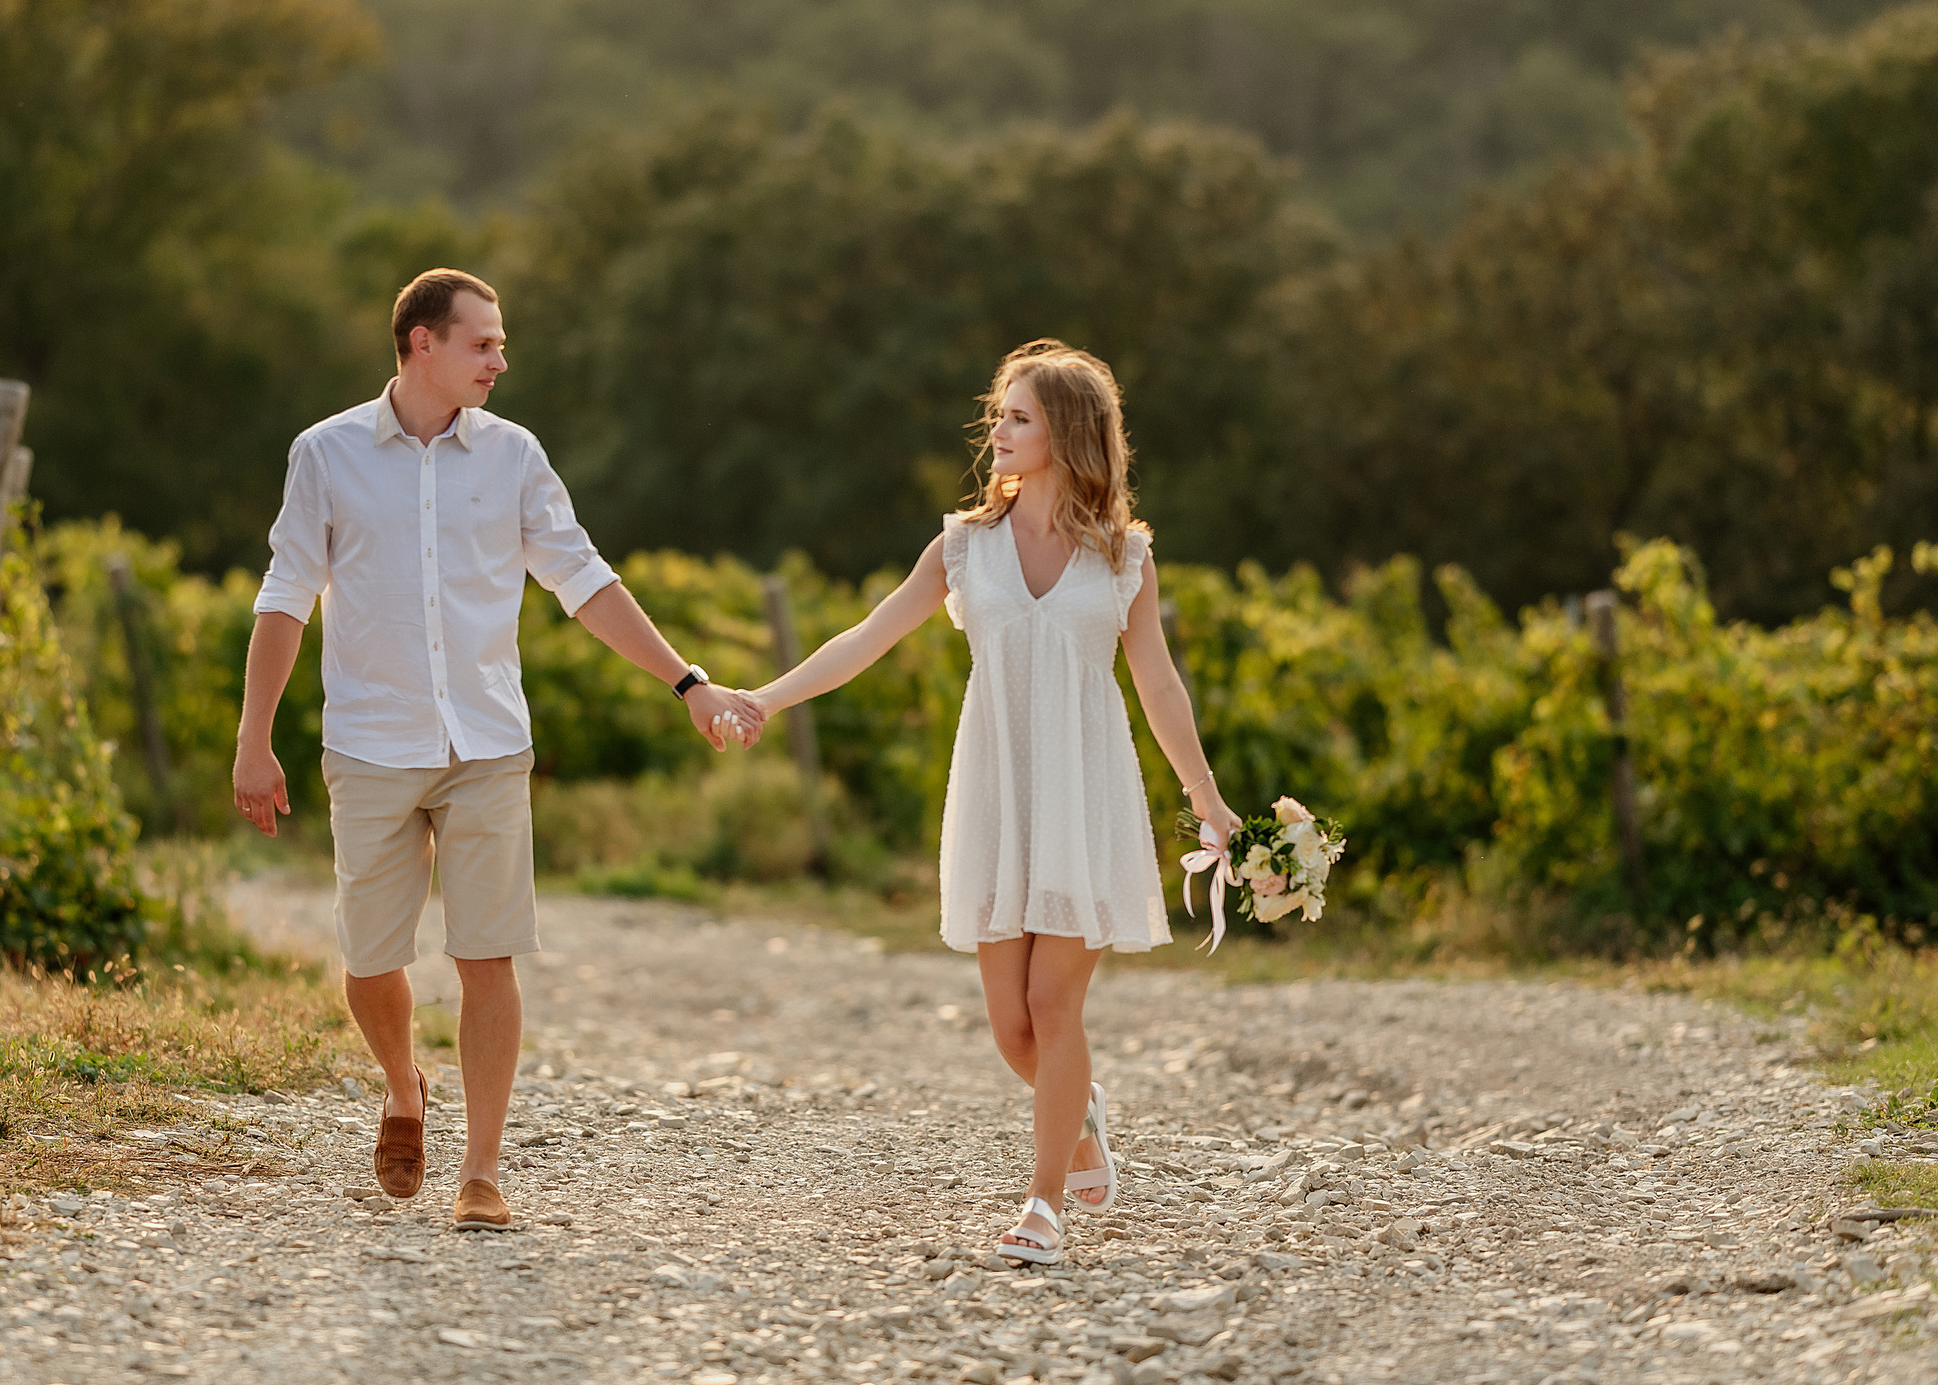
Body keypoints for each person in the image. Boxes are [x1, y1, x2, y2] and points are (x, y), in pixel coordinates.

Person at [231, 268, 769, 1231]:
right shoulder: (327, 453)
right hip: (371, 742)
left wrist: (689, 682)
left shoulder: (515, 456)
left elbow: (582, 577)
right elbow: (284, 595)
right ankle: (403, 1084)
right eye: (483, 342)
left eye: (501, 342)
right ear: (421, 343)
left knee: (490, 955)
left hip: (488, 740)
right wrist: (253, 739)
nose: (500, 360)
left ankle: (481, 1171)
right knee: (369, 961)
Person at [745, 339, 1241, 1265]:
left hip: (1085, 794)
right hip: (999, 792)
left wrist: (1205, 797)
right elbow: (869, 635)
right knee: (1013, 1027)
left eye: (1018, 416)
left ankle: (1043, 1204)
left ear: (1069, 431)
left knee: (1056, 1008)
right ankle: (1079, 1115)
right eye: (1000, 414)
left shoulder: (1123, 555)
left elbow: (1160, 687)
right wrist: (766, 700)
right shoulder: (963, 546)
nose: (997, 430)